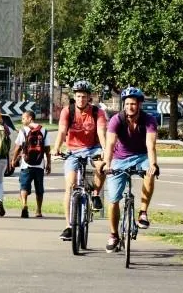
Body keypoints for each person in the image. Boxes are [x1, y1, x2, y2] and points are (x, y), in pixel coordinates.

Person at [103, 86, 160, 252]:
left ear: (140, 104)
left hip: (142, 156)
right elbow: (110, 144)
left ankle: (143, 212)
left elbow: (151, 145)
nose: (130, 107)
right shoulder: (116, 120)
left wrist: (153, 164)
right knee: (113, 200)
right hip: (119, 159)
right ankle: (114, 235)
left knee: (150, 173)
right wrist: (107, 163)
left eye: (133, 104)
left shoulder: (149, 120)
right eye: (127, 104)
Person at [51, 80, 108, 241]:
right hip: (73, 150)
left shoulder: (97, 113)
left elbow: (102, 134)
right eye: (78, 96)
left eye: (84, 96)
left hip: (93, 147)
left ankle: (96, 194)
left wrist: (105, 151)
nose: (81, 99)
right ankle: (69, 226)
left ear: (89, 97)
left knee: (101, 166)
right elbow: (62, 131)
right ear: (74, 97)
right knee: (70, 186)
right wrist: (56, 148)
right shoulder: (67, 111)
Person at [8, 109, 47, 218]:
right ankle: (38, 210)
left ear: (30, 118)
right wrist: (48, 164)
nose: (22, 120)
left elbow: (17, 147)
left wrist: (14, 159)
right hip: (39, 165)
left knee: (24, 186)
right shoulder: (43, 130)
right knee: (39, 189)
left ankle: (24, 204)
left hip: (26, 164)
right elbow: (47, 149)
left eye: (24, 118)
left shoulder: (23, 131)